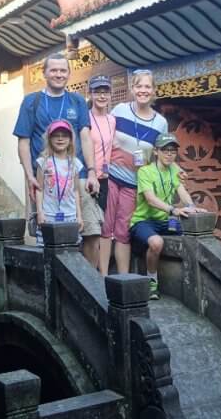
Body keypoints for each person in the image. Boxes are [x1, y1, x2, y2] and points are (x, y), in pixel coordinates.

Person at [13, 53, 98, 239]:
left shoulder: (77, 101)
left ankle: (88, 270)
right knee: (45, 233)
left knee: (91, 231)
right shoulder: (31, 101)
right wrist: (29, 176)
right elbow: (24, 142)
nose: (58, 74)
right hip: (44, 178)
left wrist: (92, 171)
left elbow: (85, 136)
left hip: (77, 175)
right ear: (44, 73)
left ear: (69, 73)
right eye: (53, 70)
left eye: (63, 70)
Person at [107, 69, 167, 275]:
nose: (143, 90)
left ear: (154, 91)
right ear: (132, 89)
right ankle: (100, 278)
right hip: (111, 177)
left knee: (123, 230)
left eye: (147, 86)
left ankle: (123, 279)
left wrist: (178, 173)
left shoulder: (161, 122)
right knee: (105, 227)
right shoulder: (120, 110)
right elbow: (104, 138)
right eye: (139, 86)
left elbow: (161, 155)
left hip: (134, 183)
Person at [129, 132, 201, 300]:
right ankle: (151, 282)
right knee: (156, 242)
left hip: (165, 221)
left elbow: (181, 191)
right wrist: (173, 210)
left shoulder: (173, 170)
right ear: (156, 152)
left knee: (191, 237)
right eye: (165, 150)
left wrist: (192, 207)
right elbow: (150, 199)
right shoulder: (145, 171)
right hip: (143, 221)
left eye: (173, 151)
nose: (169, 154)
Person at [34, 120, 83, 245]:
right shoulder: (43, 162)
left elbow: (76, 191)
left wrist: (79, 216)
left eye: (64, 135)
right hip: (48, 216)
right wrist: (40, 212)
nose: (60, 139)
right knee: (45, 251)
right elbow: (39, 189)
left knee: (70, 251)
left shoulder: (75, 163)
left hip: (70, 217)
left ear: (71, 139)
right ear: (49, 139)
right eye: (56, 135)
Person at [85, 75, 115, 274]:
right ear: (91, 94)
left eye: (105, 92)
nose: (102, 96)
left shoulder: (112, 120)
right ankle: (90, 275)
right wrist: (91, 172)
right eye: (98, 92)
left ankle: (103, 275)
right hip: (90, 179)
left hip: (108, 179)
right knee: (91, 230)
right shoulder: (85, 117)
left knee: (106, 229)